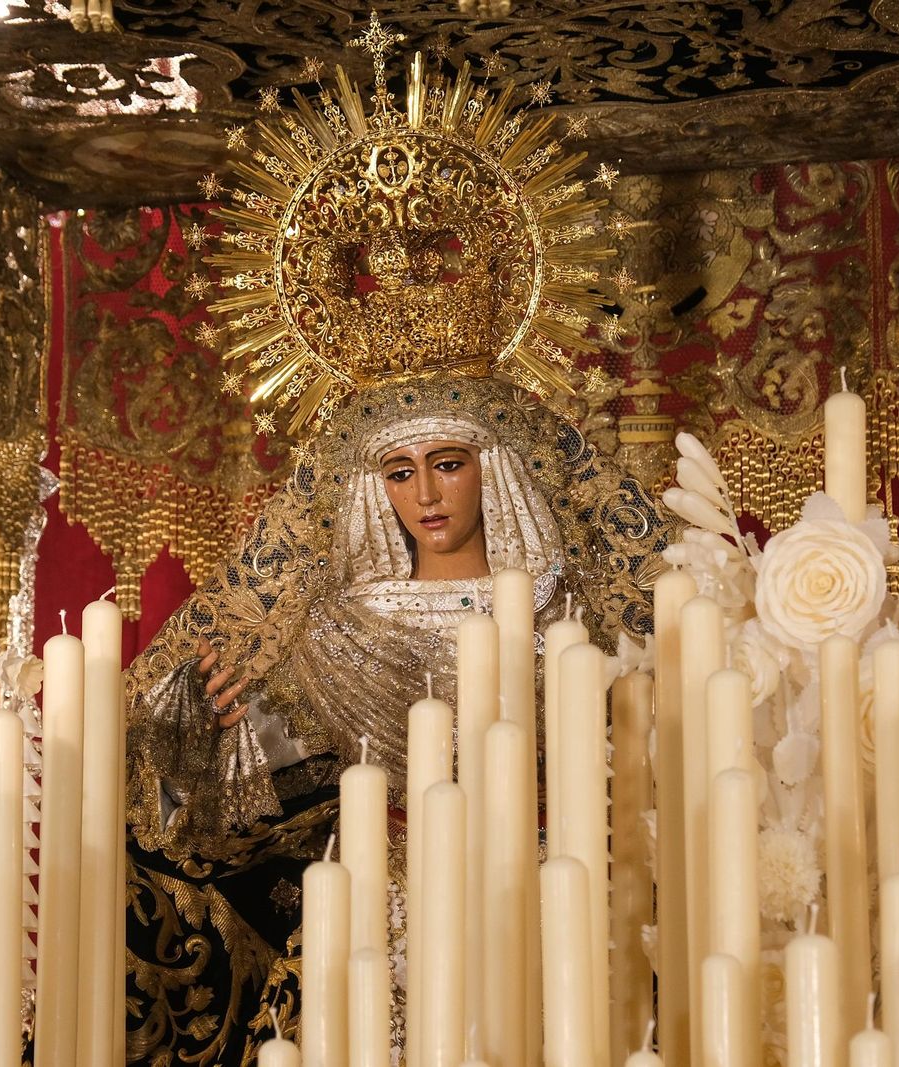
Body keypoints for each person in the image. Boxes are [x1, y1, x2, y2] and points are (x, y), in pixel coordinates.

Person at [117, 30, 672, 1064]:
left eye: (450, 463)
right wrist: (213, 718)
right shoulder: (328, 633)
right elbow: (206, 814)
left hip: (559, 921)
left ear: (495, 470)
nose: (425, 493)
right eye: (398, 471)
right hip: (370, 936)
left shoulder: (573, 619)